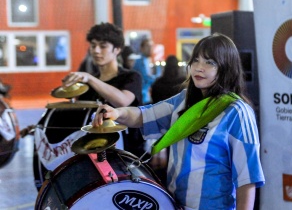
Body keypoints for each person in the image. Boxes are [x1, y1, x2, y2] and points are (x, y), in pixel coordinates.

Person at [92, 33, 265, 209]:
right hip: (175, 204)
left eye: (209, 62)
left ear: (227, 68)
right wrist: (116, 112)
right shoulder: (184, 100)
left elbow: (247, 179)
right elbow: (144, 115)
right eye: (195, 60)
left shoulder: (237, 112)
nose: (198, 68)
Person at [61, 22, 145, 156]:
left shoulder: (132, 76)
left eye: (103, 46)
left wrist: (90, 78)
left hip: (127, 153)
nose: (96, 50)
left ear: (117, 49)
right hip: (94, 152)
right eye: (93, 46)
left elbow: (122, 101)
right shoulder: (88, 84)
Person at [133, 38, 161, 104]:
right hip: (143, 97)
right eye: (147, 46)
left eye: (151, 46)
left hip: (154, 96)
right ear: (141, 48)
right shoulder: (138, 62)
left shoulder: (155, 62)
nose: (150, 48)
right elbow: (142, 78)